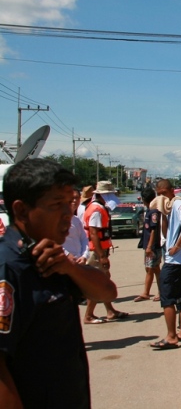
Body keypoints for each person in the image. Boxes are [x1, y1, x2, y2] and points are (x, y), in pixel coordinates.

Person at [0, 159, 117, 407]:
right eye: (56, 205)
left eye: (69, 203)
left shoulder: (51, 257)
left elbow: (107, 292)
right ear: (21, 210)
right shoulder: (8, 267)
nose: (67, 214)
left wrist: (70, 267)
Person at [151, 180, 181, 349]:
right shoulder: (169, 208)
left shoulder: (177, 204)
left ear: (171, 191)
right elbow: (166, 231)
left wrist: (177, 244)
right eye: (159, 194)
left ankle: (171, 336)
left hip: (176, 259)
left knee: (167, 297)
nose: (162, 197)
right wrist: (163, 215)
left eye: (164, 193)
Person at [82, 181, 129, 324]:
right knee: (97, 282)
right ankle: (89, 315)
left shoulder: (97, 207)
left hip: (99, 250)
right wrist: (102, 256)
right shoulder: (96, 210)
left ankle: (110, 311)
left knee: (104, 280)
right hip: (97, 251)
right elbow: (94, 233)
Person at [134, 187, 161, 302]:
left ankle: (150, 292)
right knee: (151, 268)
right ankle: (153, 291)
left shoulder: (154, 212)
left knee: (151, 268)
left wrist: (150, 246)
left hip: (153, 246)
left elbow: (153, 230)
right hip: (148, 245)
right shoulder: (149, 211)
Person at [62, 188, 90, 265]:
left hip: (79, 261)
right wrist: (67, 254)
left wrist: (84, 256)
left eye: (76, 198)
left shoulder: (77, 220)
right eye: (72, 198)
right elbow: (53, 241)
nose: (74, 200)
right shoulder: (57, 220)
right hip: (64, 261)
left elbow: (84, 239)